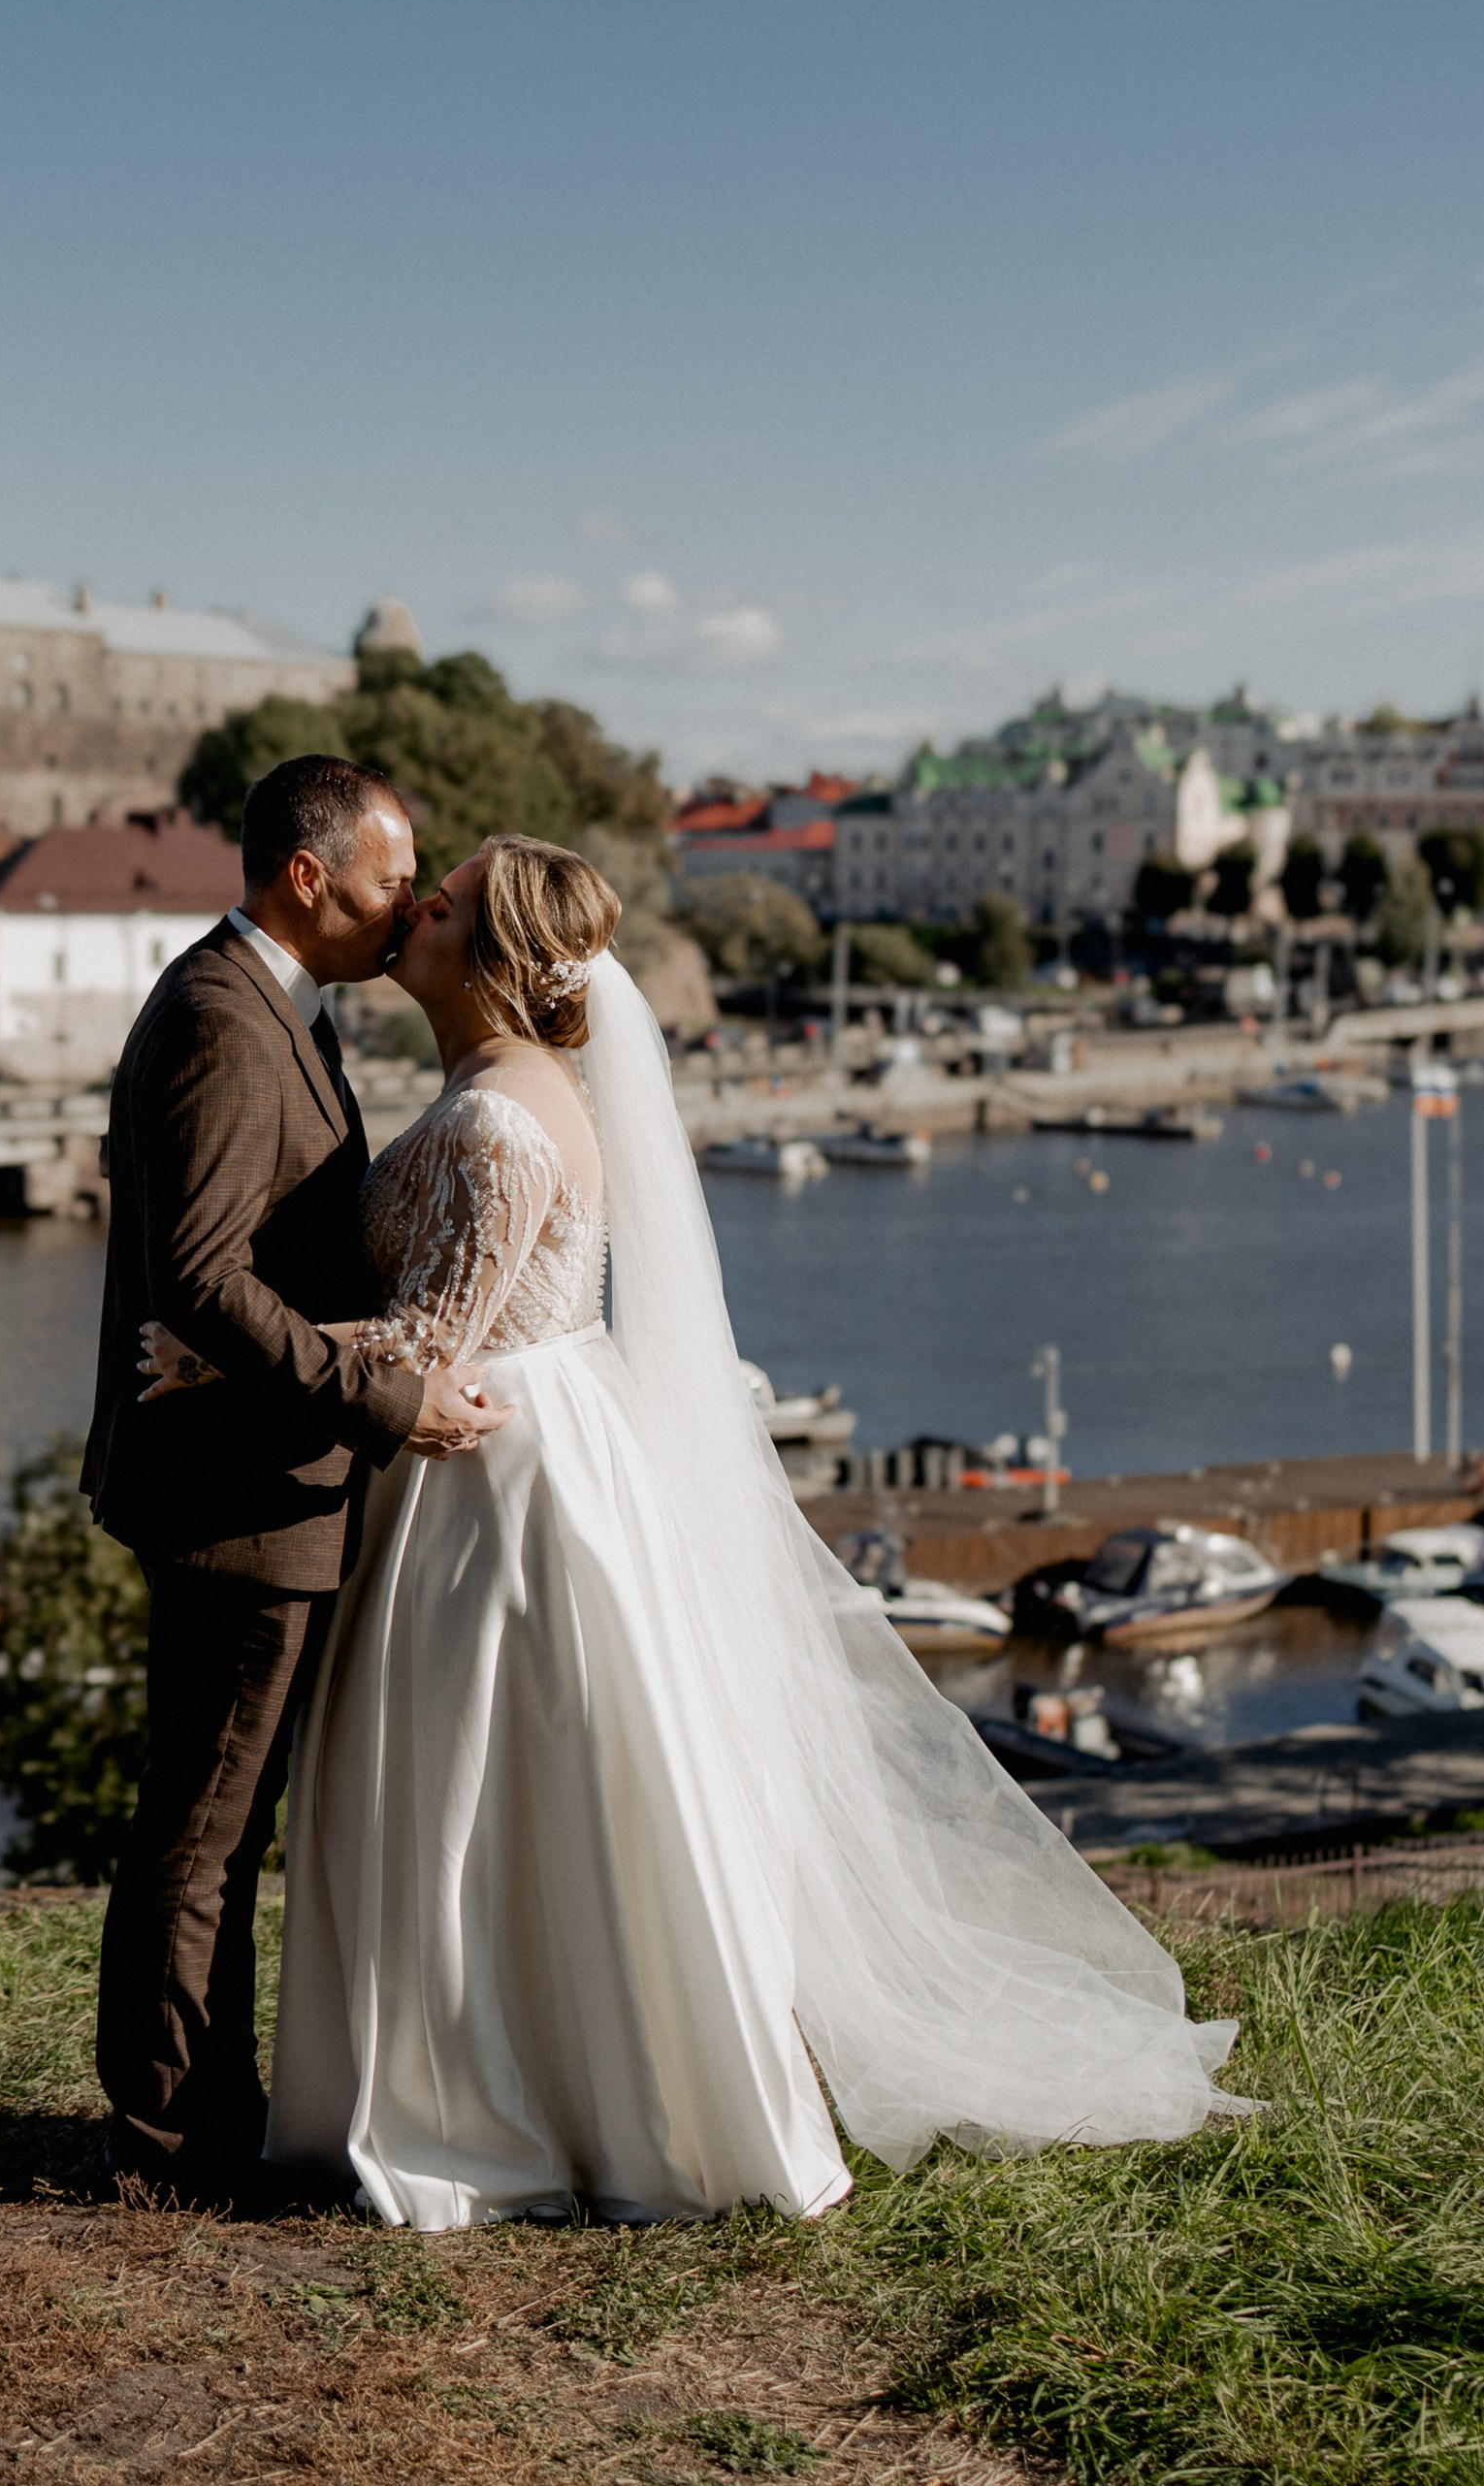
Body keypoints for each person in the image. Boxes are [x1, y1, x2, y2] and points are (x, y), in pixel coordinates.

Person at [146, 832, 1244, 2228]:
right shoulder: (492, 1086)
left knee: (480, 1778)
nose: (416, 911)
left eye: (447, 900)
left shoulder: (499, 1118)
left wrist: (211, 1356)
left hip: (500, 1480)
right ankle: (513, 2080)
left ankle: (492, 2100)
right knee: (509, 1788)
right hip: (502, 1455)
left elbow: (433, 1342)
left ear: (493, 955)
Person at [84, 755, 508, 2202]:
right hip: (235, 1497)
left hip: (259, 1480)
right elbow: (200, 1279)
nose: (411, 903)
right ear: (309, 879)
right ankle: (168, 2150)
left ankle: (211, 2114)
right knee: (202, 1833)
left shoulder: (274, 1005)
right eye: (396, 878)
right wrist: (384, 1392)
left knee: (221, 1822)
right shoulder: (221, 1017)